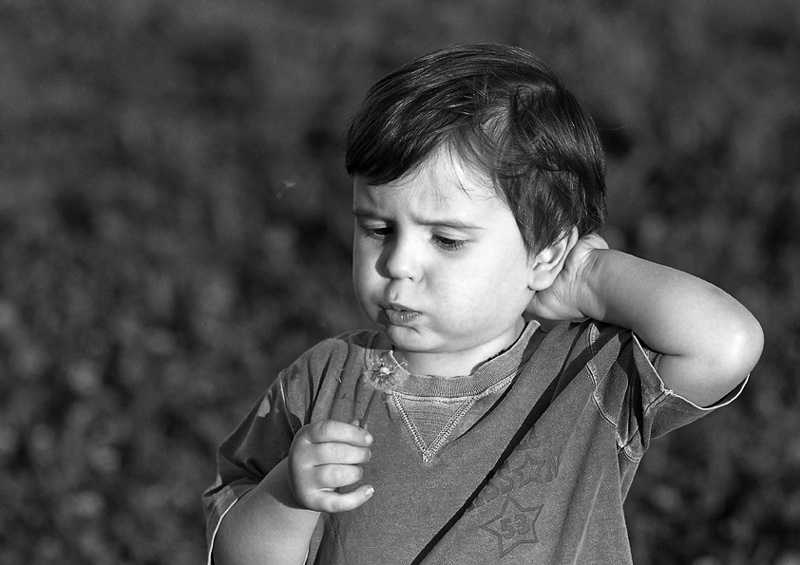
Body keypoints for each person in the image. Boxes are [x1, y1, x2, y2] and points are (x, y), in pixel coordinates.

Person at [202, 44, 763, 564]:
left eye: (446, 240)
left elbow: (726, 344)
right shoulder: (321, 384)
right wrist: (287, 495)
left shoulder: (587, 377)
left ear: (545, 254)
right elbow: (235, 553)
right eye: (377, 228)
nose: (399, 262)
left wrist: (590, 275)